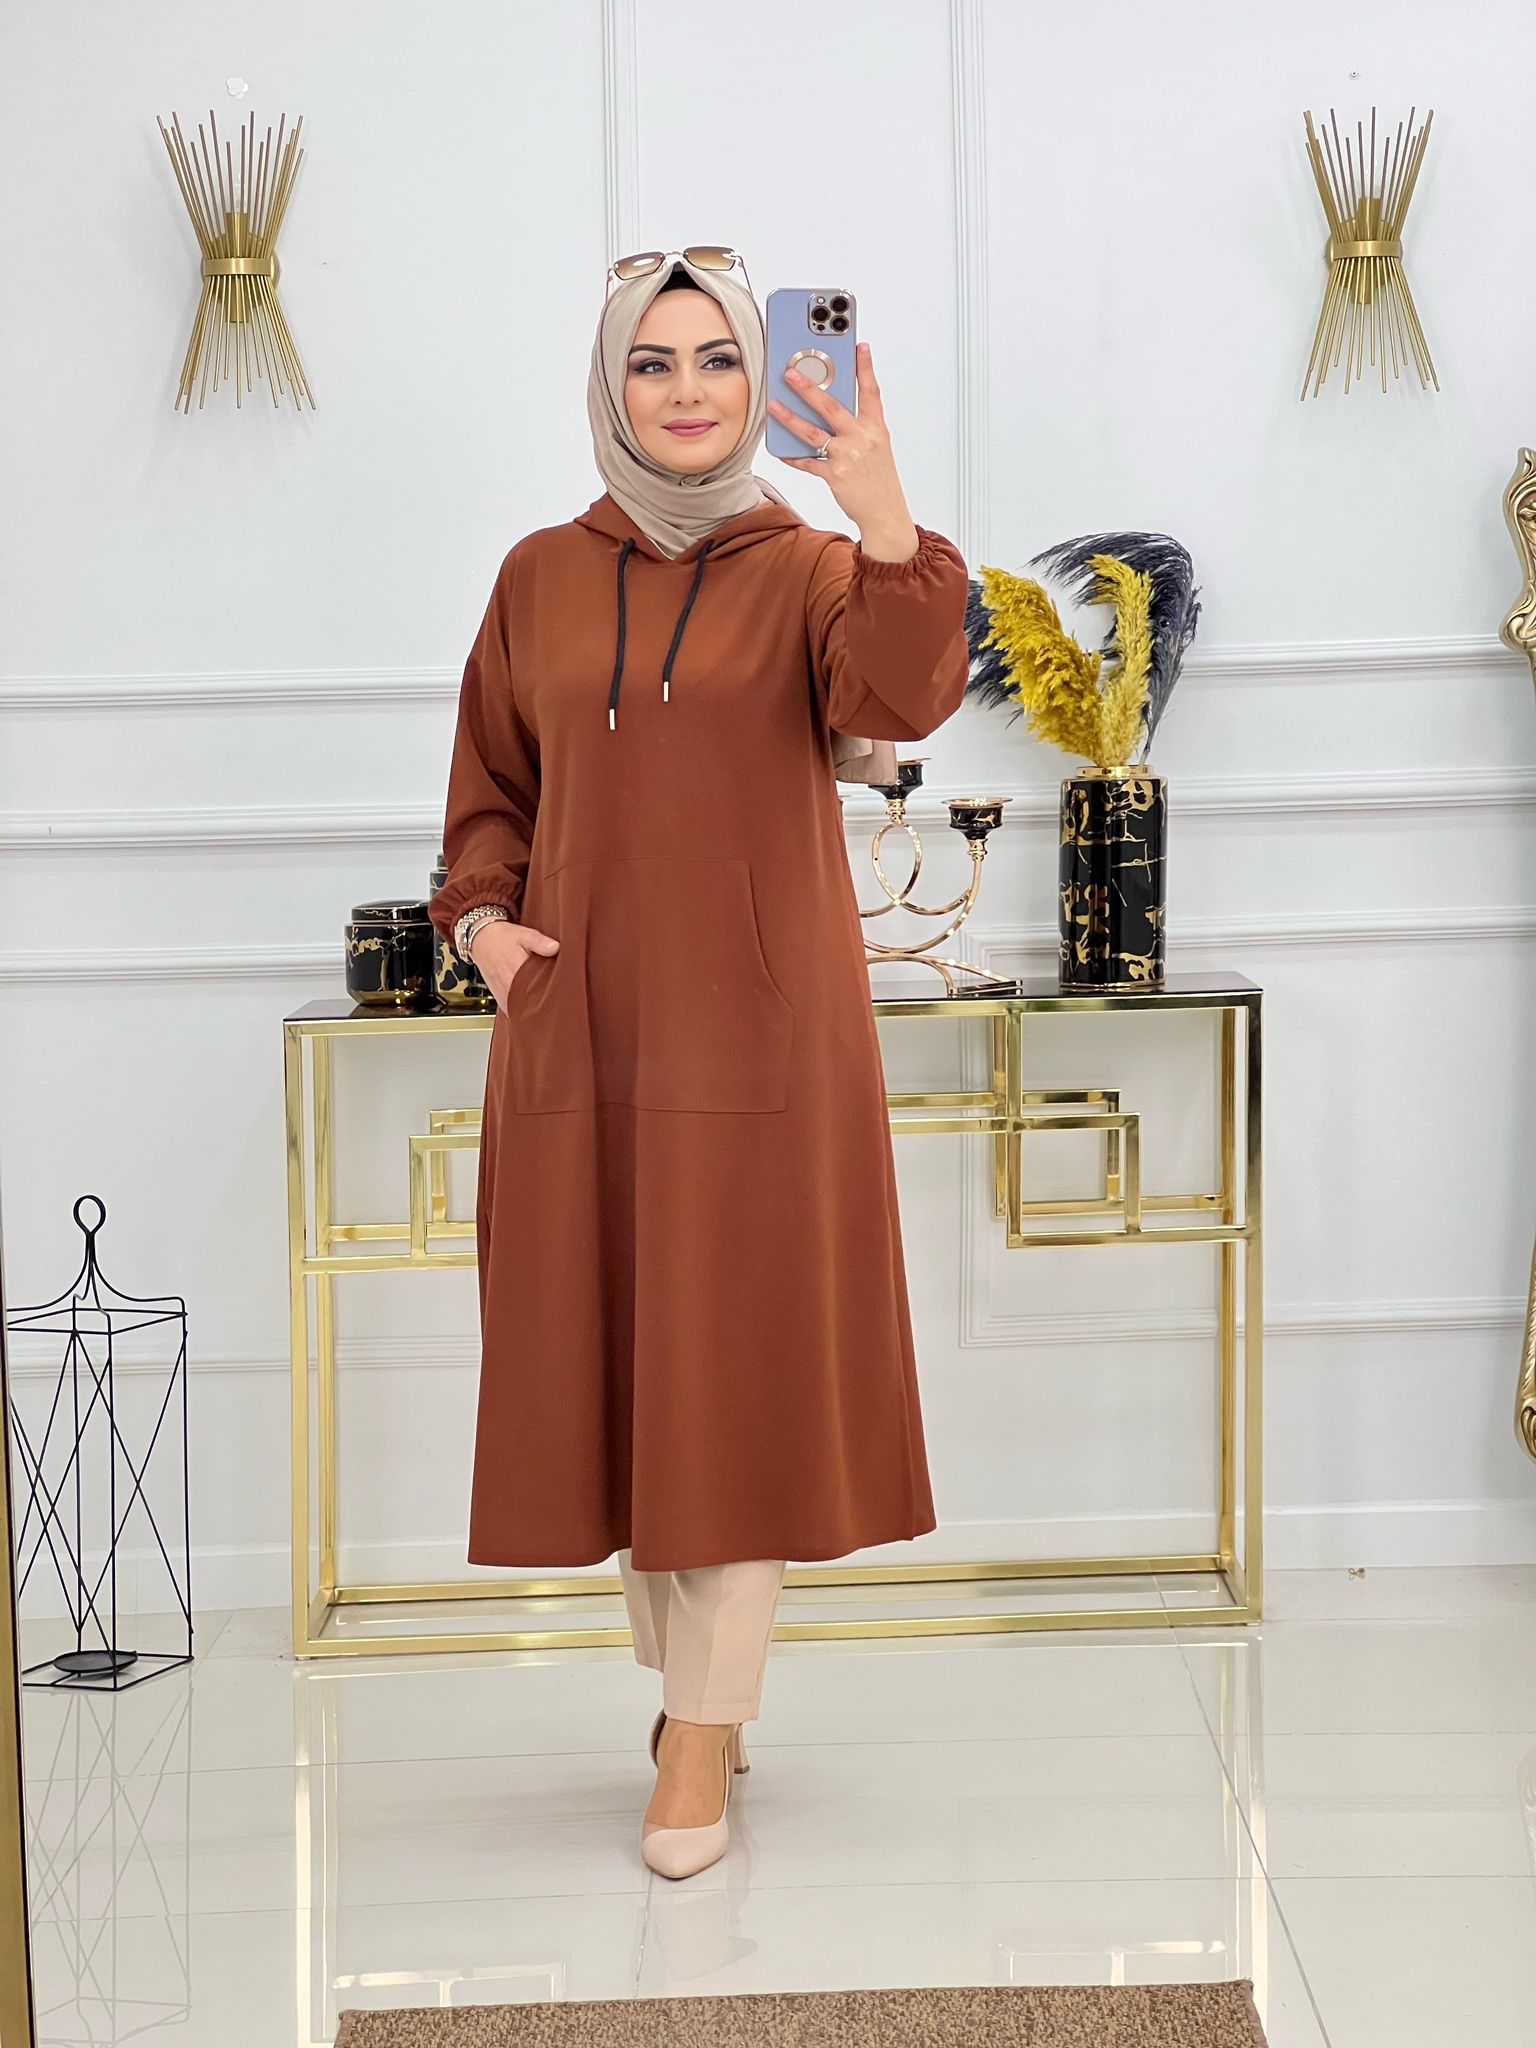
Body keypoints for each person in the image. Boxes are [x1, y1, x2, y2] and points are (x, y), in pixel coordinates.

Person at [427, 246, 971, 1880]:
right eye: (651, 363)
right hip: (585, 1026)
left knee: (736, 1374)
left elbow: (905, 691)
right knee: (625, 1373)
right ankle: (701, 1700)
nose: (686, 391)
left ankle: (699, 1737)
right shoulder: (539, 574)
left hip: (764, 1038)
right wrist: (486, 932)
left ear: (758, 380)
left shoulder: (813, 569)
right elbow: (489, 790)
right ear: (610, 386)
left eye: (717, 359)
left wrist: (882, 512)